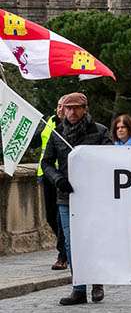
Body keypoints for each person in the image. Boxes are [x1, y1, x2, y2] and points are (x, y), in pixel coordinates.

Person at [40, 92, 111, 306]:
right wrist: (58, 179)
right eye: (68, 108)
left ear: (85, 109)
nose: (72, 112)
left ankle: (97, 282)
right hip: (66, 195)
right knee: (72, 244)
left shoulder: (99, 131)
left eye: (76, 108)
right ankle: (78, 287)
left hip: (93, 197)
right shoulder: (57, 133)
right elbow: (46, 163)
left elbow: (111, 160)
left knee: (94, 239)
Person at [36, 98, 67, 270]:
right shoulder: (50, 121)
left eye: (65, 106)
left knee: (60, 216)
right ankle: (67, 246)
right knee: (50, 216)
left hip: (62, 176)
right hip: (46, 174)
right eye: (59, 105)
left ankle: (63, 255)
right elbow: (38, 142)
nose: (61, 109)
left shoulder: (70, 127)